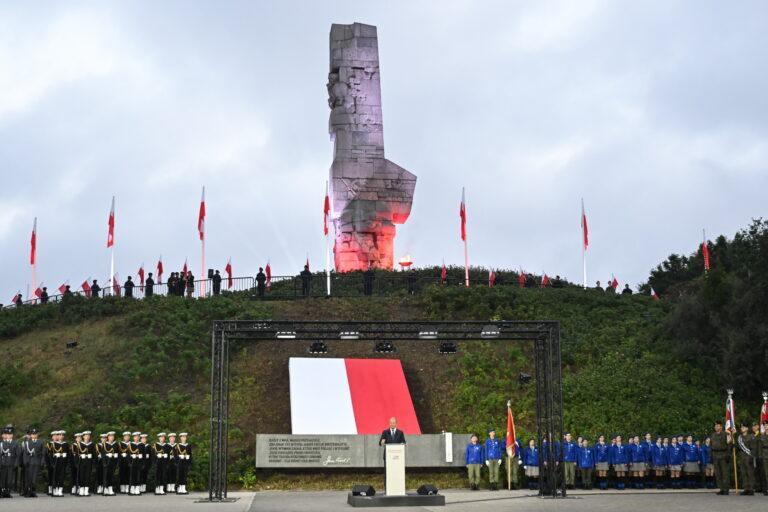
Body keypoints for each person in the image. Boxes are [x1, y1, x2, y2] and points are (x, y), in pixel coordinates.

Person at [20, 427, 43, 498]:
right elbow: (25, 453)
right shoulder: (27, 442)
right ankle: (28, 492)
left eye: (35, 434)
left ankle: (33, 492)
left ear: (37, 435)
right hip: (29, 462)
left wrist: (42, 461)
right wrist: (25, 461)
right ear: (31, 435)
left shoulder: (40, 442)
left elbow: (43, 453)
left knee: (34, 478)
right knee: (28, 478)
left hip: (36, 462)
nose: (34, 435)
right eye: (33, 434)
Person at [710, 421, 731, 495]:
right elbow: (711, 446)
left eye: (718, 426)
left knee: (724, 473)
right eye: (715, 426)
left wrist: (728, 455)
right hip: (715, 455)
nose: (716, 427)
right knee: (718, 473)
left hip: (723, 454)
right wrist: (711, 456)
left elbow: (729, 445)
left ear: (721, 427)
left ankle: (726, 489)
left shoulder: (725, 434)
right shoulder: (713, 435)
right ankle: (721, 488)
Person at [0, 425, 21, 498]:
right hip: (3, 463)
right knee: (3, 478)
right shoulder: (1, 443)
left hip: (11, 463)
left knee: (9, 479)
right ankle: (2, 492)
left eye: (10, 434)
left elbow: (18, 455)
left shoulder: (15, 443)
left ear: (12, 435)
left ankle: (7, 492)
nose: (8, 436)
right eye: (7, 434)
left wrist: (16, 463)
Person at [737, 423, 757, 495]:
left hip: (749, 457)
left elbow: (754, 448)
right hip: (742, 457)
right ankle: (746, 489)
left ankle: (751, 489)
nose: (742, 428)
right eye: (741, 427)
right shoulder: (739, 437)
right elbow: (739, 448)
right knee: (743, 473)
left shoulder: (751, 436)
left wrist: (752, 457)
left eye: (743, 427)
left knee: (750, 473)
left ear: (747, 428)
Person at [49, 430, 69, 497]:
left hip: (63, 462)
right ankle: (55, 489)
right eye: (60, 435)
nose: (61, 436)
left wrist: (65, 456)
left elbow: (69, 454)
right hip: (56, 462)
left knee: (62, 476)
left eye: (62, 435)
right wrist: (52, 463)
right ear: (57, 436)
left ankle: (60, 490)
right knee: (56, 476)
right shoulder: (54, 444)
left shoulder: (66, 444)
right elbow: (50, 455)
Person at [99, 431, 118, 496]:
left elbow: (117, 453)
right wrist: (104, 463)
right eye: (110, 436)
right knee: (106, 476)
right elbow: (103, 454)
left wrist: (116, 457)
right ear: (108, 437)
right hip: (106, 463)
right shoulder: (105, 444)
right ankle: (105, 489)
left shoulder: (116, 444)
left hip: (113, 462)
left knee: (111, 476)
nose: (112, 437)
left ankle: (110, 489)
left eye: (113, 436)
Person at [751, 423, 764, 493]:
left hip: (761, 456)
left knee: (762, 472)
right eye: (753, 426)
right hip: (755, 456)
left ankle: (763, 487)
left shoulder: (761, 435)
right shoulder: (752, 435)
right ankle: (758, 487)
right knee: (756, 472)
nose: (753, 427)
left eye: (755, 426)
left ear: (758, 427)